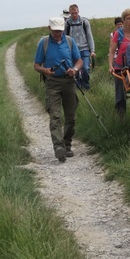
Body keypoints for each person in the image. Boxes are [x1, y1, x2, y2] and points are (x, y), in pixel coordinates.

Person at [34, 17, 83, 162]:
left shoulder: (69, 41)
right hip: (52, 83)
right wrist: (45, 71)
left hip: (69, 82)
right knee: (55, 116)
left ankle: (67, 144)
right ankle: (58, 147)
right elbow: (36, 65)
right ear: (49, 29)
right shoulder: (44, 43)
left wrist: (74, 70)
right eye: (55, 31)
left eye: (59, 31)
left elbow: (79, 61)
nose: (57, 34)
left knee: (71, 116)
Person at [108, 8, 130, 116]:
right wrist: (111, 66)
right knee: (120, 94)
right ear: (124, 20)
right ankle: (121, 117)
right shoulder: (118, 34)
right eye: (128, 18)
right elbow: (111, 52)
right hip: (120, 67)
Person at [64, 4, 96, 90]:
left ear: (78, 11)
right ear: (70, 13)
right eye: (72, 13)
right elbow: (65, 38)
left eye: (76, 13)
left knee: (85, 68)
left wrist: (92, 50)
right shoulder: (67, 23)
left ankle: (86, 85)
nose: (74, 15)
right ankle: (78, 86)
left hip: (84, 49)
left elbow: (89, 36)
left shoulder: (84, 22)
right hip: (73, 51)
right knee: (76, 70)